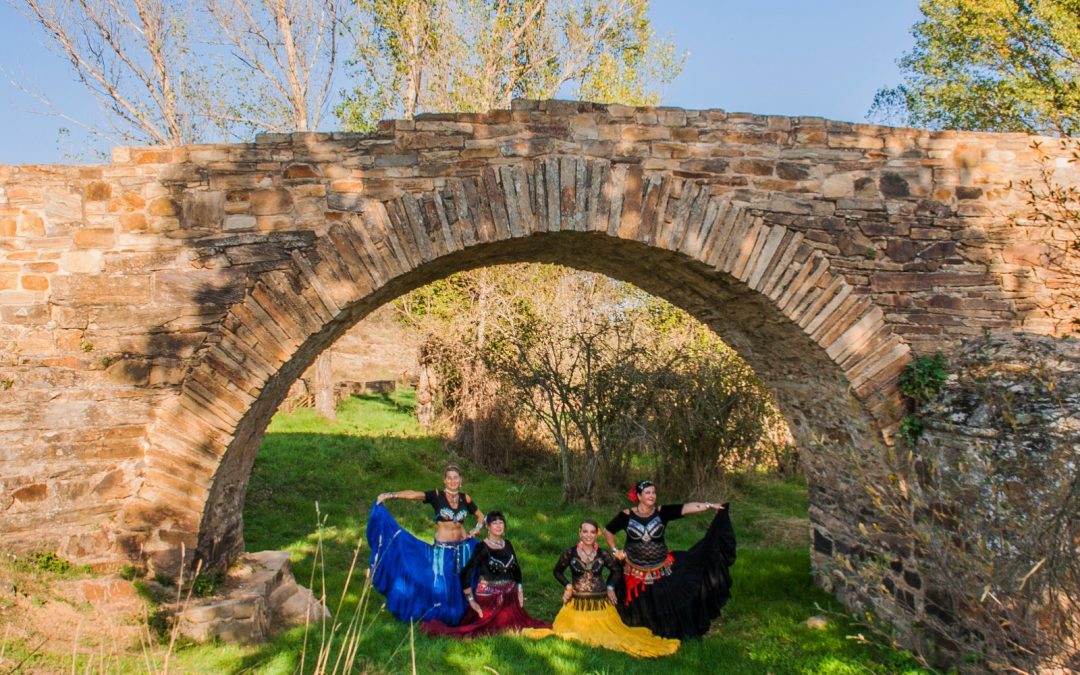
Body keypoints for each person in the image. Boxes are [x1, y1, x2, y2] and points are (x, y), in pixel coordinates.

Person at [525, 519, 680, 657]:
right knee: (568, 633)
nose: (588, 535)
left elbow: (616, 570)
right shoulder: (570, 553)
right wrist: (568, 585)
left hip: (600, 604)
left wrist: (610, 587)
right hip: (577, 604)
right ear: (580, 533)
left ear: (597, 534)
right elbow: (557, 571)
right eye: (585, 531)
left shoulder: (602, 554)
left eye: (592, 532)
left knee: (611, 635)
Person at [603, 479, 735, 640]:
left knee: (675, 594)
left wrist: (708, 505)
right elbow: (608, 531)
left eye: (654, 492)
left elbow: (686, 508)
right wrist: (615, 550)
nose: (652, 495)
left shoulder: (662, 512)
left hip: (661, 567)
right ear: (639, 496)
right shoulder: (626, 515)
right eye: (647, 493)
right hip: (634, 571)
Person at [367, 464, 485, 624]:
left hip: (463, 547)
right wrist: (390, 495)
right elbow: (414, 495)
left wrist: (476, 529)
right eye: (449, 478)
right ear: (445, 480)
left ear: (460, 480)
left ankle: (463, 612)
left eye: (455, 478)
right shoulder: (437, 495)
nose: (452, 481)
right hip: (443, 551)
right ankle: (443, 614)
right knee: (442, 583)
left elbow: (481, 517)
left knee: (462, 580)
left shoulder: (466, 498)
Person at [421, 511, 550, 637]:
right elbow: (466, 573)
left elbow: (516, 569)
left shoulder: (508, 544)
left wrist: (520, 590)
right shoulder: (482, 547)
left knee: (519, 626)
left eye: (501, 522)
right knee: (490, 630)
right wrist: (471, 600)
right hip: (490, 600)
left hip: (510, 599)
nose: (498, 526)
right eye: (494, 523)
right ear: (488, 527)